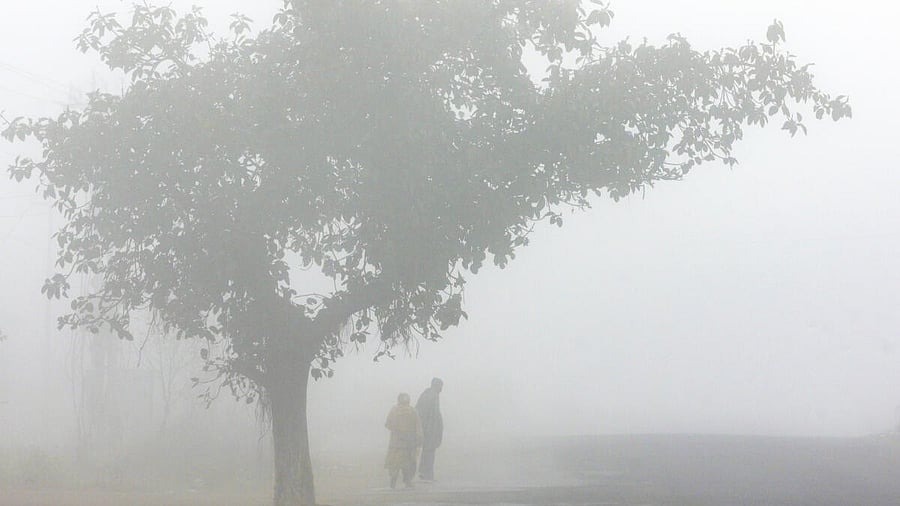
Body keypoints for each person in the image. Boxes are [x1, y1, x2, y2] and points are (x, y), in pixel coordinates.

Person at [384, 392, 422, 489]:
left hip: (396, 443)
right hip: (409, 443)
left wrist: (397, 430)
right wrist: (418, 439)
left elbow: (388, 424)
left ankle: (393, 482)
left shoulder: (394, 411)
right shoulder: (413, 411)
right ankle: (407, 481)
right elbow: (418, 427)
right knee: (409, 462)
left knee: (395, 463)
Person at [416, 377, 443, 481]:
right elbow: (424, 414)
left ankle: (425, 473)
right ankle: (426, 474)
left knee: (428, 451)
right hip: (429, 430)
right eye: (440, 386)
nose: (441, 389)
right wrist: (425, 428)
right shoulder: (431, 396)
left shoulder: (430, 395)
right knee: (429, 451)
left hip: (430, 429)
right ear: (436, 385)